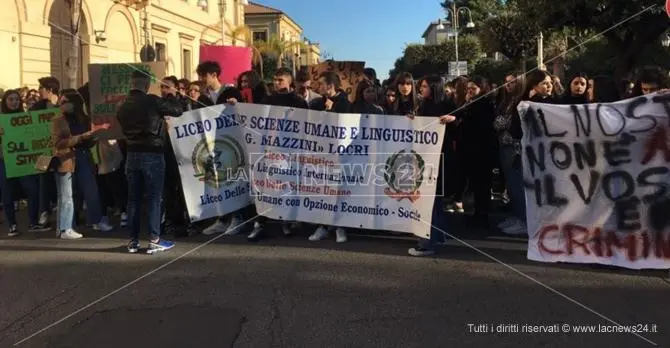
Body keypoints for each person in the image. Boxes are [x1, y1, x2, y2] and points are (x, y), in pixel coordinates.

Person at [116, 70, 184, 253]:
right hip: (152, 152)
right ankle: (154, 238)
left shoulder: (122, 105)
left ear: (132, 84)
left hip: (132, 153)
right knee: (154, 198)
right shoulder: (152, 101)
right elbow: (177, 111)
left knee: (134, 199)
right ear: (146, 86)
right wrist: (171, 96)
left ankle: (133, 240)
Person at [52, 89, 114, 239]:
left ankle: (95, 220)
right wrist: (79, 138)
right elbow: (58, 143)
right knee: (67, 195)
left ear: (75, 103)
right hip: (66, 158)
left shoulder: (85, 119)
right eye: (61, 101)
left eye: (65, 101)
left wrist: (94, 136)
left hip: (84, 156)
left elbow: (88, 141)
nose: (62, 104)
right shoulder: (58, 121)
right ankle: (65, 227)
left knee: (91, 190)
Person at [0, 90, 50, 236]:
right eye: (11, 99)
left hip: (24, 162)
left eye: (16, 99)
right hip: (5, 162)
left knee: (33, 191)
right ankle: (12, 226)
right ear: (5, 102)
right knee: (7, 194)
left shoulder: (26, 117)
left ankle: (32, 223)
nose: (14, 102)